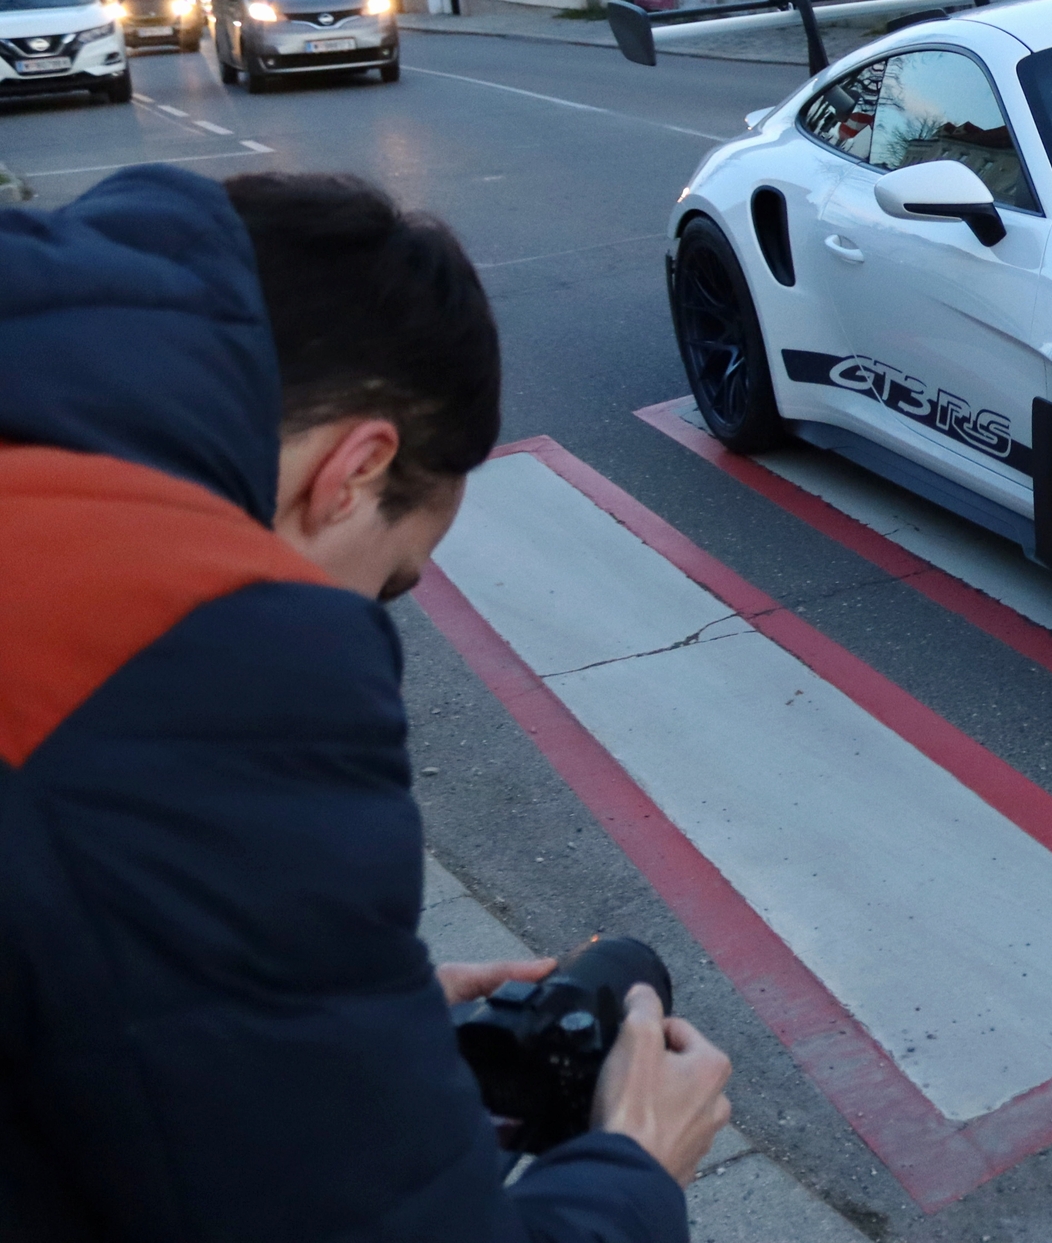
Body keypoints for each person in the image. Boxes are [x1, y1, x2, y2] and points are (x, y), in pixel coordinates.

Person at [0, 166, 730, 1241]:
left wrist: (307, 1036)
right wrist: (633, 1169)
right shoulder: (202, 654)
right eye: (390, 578)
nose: (372, 625)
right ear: (352, 472)